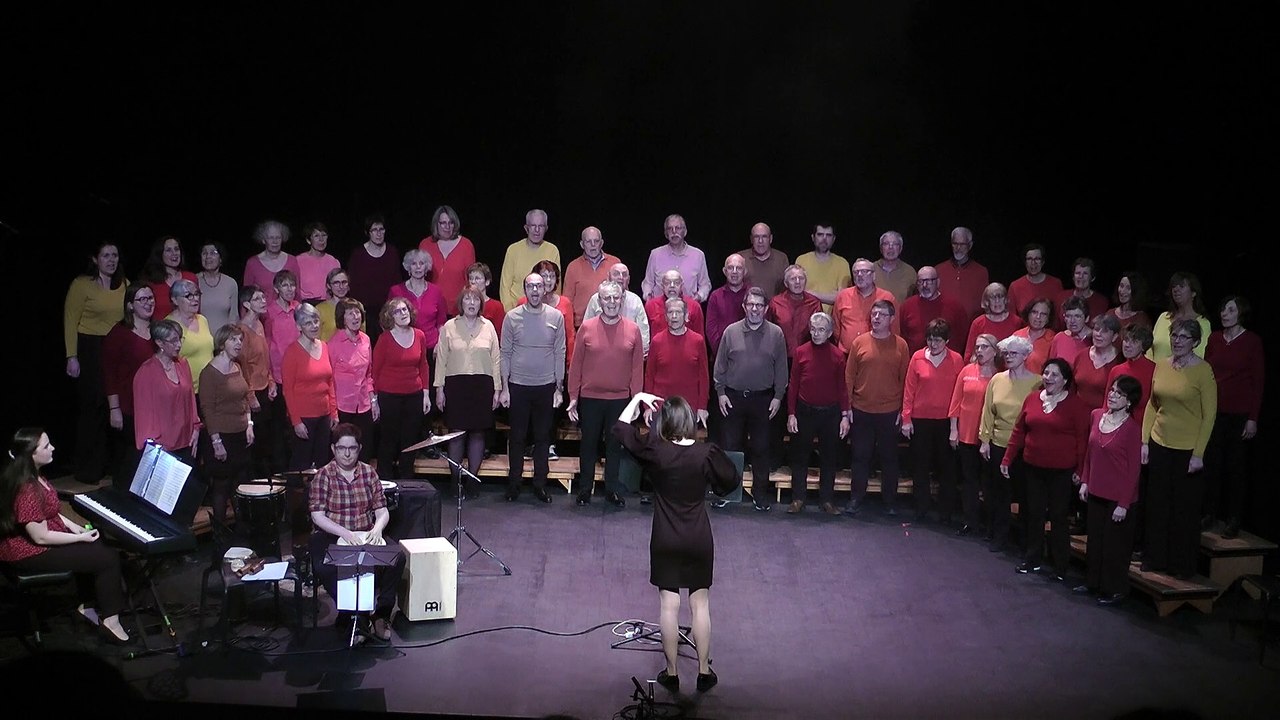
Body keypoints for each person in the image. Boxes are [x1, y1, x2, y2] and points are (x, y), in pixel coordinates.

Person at [612, 392, 737, 693]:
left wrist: (639, 398)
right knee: (701, 604)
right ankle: (704, 673)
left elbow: (621, 428)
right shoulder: (707, 453)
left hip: (666, 537)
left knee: (669, 606)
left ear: (664, 422)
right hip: (698, 536)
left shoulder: (656, 451)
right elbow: (730, 482)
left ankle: (672, 673)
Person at [0, 429, 131, 644]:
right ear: (31, 455)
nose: (52, 448)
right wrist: (79, 539)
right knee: (106, 558)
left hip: (39, 540)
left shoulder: (35, 475)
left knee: (97, 546)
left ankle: (86, 605)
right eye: (45, 446)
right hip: (28, 553)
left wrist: (74, 527)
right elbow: (40, 538)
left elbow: (50, 510)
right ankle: (111, 621)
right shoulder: (27, 489)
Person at [307, 423, 405, 643]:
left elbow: (382, 511)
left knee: (397, 558)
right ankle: (355, 615)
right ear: (333, 449)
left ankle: (380, 614)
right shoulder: (324, 475)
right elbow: (318, 516)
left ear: (359, 448)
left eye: (352, 448)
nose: (347, 453)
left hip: (365, 531)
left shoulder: (369, 473)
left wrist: (377, 528)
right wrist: (344, 533)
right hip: (332, 532)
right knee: (324, 565)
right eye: (342, 448)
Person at [1001, 358, 1090, 582]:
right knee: (1033, 514)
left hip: (1061, 471)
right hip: (1033, 467)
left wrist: (1081, 470)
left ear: (1065, 380)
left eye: (1054, 375)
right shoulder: (1032, 399)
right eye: (1046, 373)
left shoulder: (1075, 405)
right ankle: (1032, 560)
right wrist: (1007, 458)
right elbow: (1019, 431)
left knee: (1059, 517)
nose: (1048, 378)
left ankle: (1060, 566)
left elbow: (1082, 440)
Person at [1142, 318, 1216, 580]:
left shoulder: (1203, 371)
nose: (1177, 341)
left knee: (1183, 508)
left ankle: (1181, 565)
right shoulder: (1161, 366)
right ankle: (1155, 559)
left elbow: (1209, 416)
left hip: (1187, 449)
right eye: (1175, 336)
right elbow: (1153, 404)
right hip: (1160, 442)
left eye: (1184, 337)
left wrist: (1198, 454)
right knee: (1157, 504)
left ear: (1195, 342)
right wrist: (1144, 441)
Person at [567, 280, 645, 507]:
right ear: (599, 301)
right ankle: (584, 489)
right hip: (590, 398)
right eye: (607, 298)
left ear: (622, 300)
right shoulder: (587, 327)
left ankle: (611, 489)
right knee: (588, 445)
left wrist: (636, 401)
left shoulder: (633, 329)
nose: (611, 302)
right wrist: (573, 397)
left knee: (614, 447)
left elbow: (637, 368)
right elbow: (576, 364)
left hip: (620, 399)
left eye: (616, 298)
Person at [714, 287, 788, 512]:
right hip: (733, 398)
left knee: (761, 448)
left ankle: (760, 495)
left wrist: (778, 396)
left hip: (763, 400)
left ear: (766, 309)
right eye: (751, 305)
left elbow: (782, 369)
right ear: (744, 307)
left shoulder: (776, 334)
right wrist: (720, 392)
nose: (754, 309)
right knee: (730, 448)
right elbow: (720, 366)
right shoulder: (731, 331)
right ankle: (728, 493)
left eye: (759, 305)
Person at [1074, 376, 1144, 606]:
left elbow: (1134, 470)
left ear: (1129, 401)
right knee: (1094, 541)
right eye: (1112, 390)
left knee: (1115, 547)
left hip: (1118, 498)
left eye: (1119, 393)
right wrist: (1085, 481)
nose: (1112, 395)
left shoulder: (1132, 429)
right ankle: (1092, 582)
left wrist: (1123, 504)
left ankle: (1114, 589)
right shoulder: (1096, 416)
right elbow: (1089, 453)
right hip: (1096, 490)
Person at [64, 240, 127, 485]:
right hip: (90, 348)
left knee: (118, 407)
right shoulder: (82, 285)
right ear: (95, 259)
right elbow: (70, 320)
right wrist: (72, 356)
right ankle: (89, 467)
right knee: (94, 409)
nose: (111, 260)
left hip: (117, 347)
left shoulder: (124, 284)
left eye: (115, 255)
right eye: (106, 256)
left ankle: (115, 466)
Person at [499, 273, 566, 502]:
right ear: (524, 289)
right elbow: (505, 353)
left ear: (545, 288)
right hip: (518, 385)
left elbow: (560, 352)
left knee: (542, 437)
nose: (535, 290)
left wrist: (559, 387)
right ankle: (514, 484)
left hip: (546, 386)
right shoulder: (512, 317)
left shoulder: (556, 317)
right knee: (517, 437)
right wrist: (504, 388)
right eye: (531, 286)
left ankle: (540, 484)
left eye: (539, 286)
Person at [1202, 295, 1264, 538]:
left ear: (1241, 313)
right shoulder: (1215, 338)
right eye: (1223, 309)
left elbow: (1258, 382)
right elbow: (1206, 371)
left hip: (1238, 414)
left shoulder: (1251, 341)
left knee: (1235, 468)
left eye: (1230, 310)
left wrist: (1253, 418)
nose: (1224, 314)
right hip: (1214, 411)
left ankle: (1233, 518)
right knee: (1212, 464)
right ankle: (1209, 513)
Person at [433, 284, 501, 498]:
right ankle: (456, 481)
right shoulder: (449, 327)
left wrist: (497, 389)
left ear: (481, 303)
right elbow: (441, 359)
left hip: (482, 385)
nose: (471, 303)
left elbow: (496, 359)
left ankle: (472, 481)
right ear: (461, 303)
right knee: (456, 435)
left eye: (475, 300)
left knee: (478, 433)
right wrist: (439, 389)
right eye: (467, 299)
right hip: (456, 386)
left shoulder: (488, 326)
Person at [844, 299, 910, 516]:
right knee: (860, 456)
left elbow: (906, 380)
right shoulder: (859, 343)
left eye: (882, 315)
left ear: (891, 319)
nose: (877, 318)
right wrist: (848, 407)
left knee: (889, 458)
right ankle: (856, 498)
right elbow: (849, 376)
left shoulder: (900, 345)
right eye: (874, 314)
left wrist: (903, 411)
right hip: (861, 409)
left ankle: (890, 501)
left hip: (889, 412)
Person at [978, 335, 1041, 552]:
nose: (1009, 357)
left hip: (1025, 446)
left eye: (1014, 353)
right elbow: (987, 411)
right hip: (998, 443)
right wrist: (985, 440)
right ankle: (999, 537)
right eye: (1006, 353)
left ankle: (1025, 540)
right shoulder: (997, 380)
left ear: (1025, 356)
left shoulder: (1037, 382)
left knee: (1025, 495)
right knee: (999, 494)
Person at [901, 318, 965, 523]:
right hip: (921, 420)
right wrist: (906, 418)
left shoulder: (956, 359)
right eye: (930, 339)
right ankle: (921, 508)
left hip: (946, 421)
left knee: (946, 468)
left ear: (947, 340)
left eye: (938, 340)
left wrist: (955, 425)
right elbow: (909, 390)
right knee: (920, 466)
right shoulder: (917, 357)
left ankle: (945, 511)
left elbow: (958, 393)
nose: (933, 344)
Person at [785, 312, 849, 514]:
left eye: (821, 330)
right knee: (800, 456)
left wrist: (845, 416)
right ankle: (798, 499)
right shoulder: (801, 352)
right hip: (805, 411)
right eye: (813, 329)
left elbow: (842, 387)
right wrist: (791, 413)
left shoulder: (838, 355)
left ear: (830, 332)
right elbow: (793, 384)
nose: (816, 333)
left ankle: (827, 501)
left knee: (829, 457)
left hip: (831, 413)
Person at [198, 325, 255, 523]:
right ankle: (220, 534)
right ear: (222, 343)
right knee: (222, 486)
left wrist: (249, 424)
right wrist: (216, 441)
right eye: (234, 340)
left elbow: (245, 396)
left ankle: (242, 531)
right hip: (222, 436)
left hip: (240, 435)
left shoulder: (238, 366)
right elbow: (208, 410)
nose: (239, 343)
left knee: (239, 485)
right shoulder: (209, 373)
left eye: (240, 339)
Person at [372, 297, 431, 481]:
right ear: (390, 316)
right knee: (389, 440)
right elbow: (375, 370)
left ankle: (406, 481)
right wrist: (374, 400)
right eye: (397, 311)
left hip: (414, 395)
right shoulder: (384, 339)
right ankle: (385, 482)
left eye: (405, 309)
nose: (403, 313)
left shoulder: (419, 335)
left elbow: (424, 365)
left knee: (410, 440)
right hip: (389, 396)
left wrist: (426, 394)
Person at [103, 285, 155, 489]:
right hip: (128, 408)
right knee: (129, 460)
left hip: (154, 408)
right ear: (130, 306)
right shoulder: (119, 333)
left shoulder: (158, 330)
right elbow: (109, 373)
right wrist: (114, 409)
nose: (149, 302)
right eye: (142, 299)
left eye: (150, 298)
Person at [948, 333, 999, 537]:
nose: (979, 351)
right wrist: (953, 428)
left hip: (988, 436)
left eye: (984, 347)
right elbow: (956, 401)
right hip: (966, 433)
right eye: (977, 347)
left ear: (995, 351)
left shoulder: (1000, 375)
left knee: (988, 483)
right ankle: (970, 521)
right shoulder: (966, 371)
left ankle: (989, 525)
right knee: (969, 481)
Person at [132, 319, 200, 462]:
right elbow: (143, 413)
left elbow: (190, 399)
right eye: (173, 341)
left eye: (180, 339)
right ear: (160, 343)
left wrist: (196, 427)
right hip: (162, 446)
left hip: (186, 440)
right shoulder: (146, 372)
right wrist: (152, 445)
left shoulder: (182, 364)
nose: (179, 345)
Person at [281, 304, 338, 471]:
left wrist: (333, 412)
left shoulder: (324, 346)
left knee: (323, 463)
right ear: (299, 326)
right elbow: (288, 391)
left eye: (316, 321)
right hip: (304, 418)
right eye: (308, 323)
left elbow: (330, 382)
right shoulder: (292, 352)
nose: (314, 326)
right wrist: (296, 422)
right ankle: (297, 497)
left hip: (324, 415)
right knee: (301, 464)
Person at [646, 297, 710, 432]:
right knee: (658, 450)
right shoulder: (657, 341)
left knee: (686, 451)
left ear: (686, 316)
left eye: (678, 312)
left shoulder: (697, 341)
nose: (674, 316)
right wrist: (647, 407)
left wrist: (702, 407)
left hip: (688, 408)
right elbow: (649, 376)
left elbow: (704, 376)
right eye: (670, 312)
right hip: (661, 407)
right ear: (665, 316)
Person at [236, 285, 281, 478]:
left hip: (264, 389)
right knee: (255, 443)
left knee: (266, 441)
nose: (264, 302)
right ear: (246, 304)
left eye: (264, 298)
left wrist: (271, 381)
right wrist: (250, 395)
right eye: (258, 299)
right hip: (252, 391)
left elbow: (264, 358)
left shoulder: (260, 325)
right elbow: (243, 366)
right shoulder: (241, 331)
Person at [329, 298, 378, 463]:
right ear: (342, 318)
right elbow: (329, 380)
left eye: (357, 312)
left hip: (363, 404)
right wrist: (333, 411)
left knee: (364, 450)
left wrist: (373, 400)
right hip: (343, 406)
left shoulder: (366, 340)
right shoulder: (333, 344)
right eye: (350, 313)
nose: (356, 317)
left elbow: (369, 374)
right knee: (344, 452)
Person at [347, 213, 404, 343]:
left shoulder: (392, 252)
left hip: (388, 309)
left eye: (381, 229)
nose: (378, 233)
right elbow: (353, 284)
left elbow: (397, 281)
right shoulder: (358, 254)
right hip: (366, 312)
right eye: (374, 230)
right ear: (368, 232)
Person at [388, 249, 448, 364]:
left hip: (431, 348)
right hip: (405, 346)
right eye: (414, 264)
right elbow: (389, 322)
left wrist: (440, 345)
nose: (418, 267)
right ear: (408, 267)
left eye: (421, 263)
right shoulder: (396, 291)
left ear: (427, 267)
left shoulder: (436, 291)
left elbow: (441, 323)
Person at [418, 204, 477, 316]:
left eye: (451, 223)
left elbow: (471, 280)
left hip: (459, 309)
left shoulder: (466, 245)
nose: (447, 226)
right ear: (436, 224)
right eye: (443, 223)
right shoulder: (425, 245)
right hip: (431, 308)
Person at [831, 258, 899, 353]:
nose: (859, 275)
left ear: (874, 275)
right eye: (856, 272)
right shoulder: (843, 296)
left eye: (864, 271)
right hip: (846, 355)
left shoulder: (887, 297)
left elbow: (894, 329)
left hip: (876, 354)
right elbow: (836, 327)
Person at [899, 265, 969, 354]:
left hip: (946, 363)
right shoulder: (906, 306)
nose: (924, 285)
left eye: (929, 281)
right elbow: (903, 338)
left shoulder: (955, 307)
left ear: (938, 282)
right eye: (920, 281)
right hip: (916, 363)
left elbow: (962, 338)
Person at [643, 213, 712, 303]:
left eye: (678, 228)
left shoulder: (698, 255)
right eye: (670, 229)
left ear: (685, 231)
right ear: (665, 233)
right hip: (660, 310)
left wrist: (699, 297)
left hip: (688, 309)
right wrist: (648, 297)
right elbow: (648, 282)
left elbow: (705, 284)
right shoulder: (655, 254)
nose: (674, 232)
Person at [499, 209, 560, 310]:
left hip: (545, 311)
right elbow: (505, 286)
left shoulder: (552, 250)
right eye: (533, 226)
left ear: (546, 228)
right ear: (526, 228)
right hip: (517, 311)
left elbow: (556, 285)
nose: (537, 230)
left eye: (540, 226)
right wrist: (510, 313)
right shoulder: (513, 250)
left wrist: (553, 310)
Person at [583, 262, 650, 355]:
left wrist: (639, 355)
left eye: (624, 274)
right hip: (599, 353)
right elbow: (586, 329)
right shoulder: (596, 299)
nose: (621, 277)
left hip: (628, 354)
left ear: (629, 280)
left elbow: (644, 333)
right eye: (616, 274)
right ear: (608, 277)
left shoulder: (635, 300)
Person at [562, 225, 620, 328]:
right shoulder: (573, 267)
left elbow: (623, 295)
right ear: (582, 244)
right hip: (581, 326)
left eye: (596, 241)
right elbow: (567, 302)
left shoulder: (614, 263)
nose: (593, 245)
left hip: (612, 324)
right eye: (588, 242)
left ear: (601, 243)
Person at [1149, 271, 1210, 361]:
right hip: (1157, 373)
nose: (1176, 290)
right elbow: (1150, 348)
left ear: (1193, 293)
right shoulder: (1163, 317)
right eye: (1173, 286)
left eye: (1181, 286)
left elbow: (1200, 355)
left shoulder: (1203, 323)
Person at [167, 278, 215, 393]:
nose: (195, 299)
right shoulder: (169, 326)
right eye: (189, 296)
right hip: (188, 391)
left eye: (196, 294)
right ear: (174, 300)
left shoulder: (202, 320)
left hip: (211, 387)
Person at [767, 265, 824, 360]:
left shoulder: (814, 303)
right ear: (786, 283)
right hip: (780, 358)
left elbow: (821, 334)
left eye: (801, 278)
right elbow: (768, 332)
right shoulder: (775, 303)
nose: (797, 282)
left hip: (808, 357)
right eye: (793, 279)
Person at [935, 226, 988, 321]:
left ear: (970, 245)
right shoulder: (938, 270)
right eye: (955, 243)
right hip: (943, 327)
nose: (958, 248)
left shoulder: (981, 272)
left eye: (962, 244)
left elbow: (984, 305)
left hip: (971, 326)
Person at [140, 235, 198, 320]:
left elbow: (197, 310)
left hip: (190, 330)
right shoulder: (151, 283)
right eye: (168, 250)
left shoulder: (191, 278)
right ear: (160, 254)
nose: (174, 253)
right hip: (160, 330)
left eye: (176, 249)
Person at [794, 223, 850, 311]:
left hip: (832, 319)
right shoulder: (801, 260)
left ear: (833, 239)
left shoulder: (842, 263)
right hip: (805, 316)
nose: (824, 239)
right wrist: (828, 296)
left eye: (828, 235)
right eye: (820, 235)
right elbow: (797, 294)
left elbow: (842, 298)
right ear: (813, 237)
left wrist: (810, 293)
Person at [243, 220, 301, 303]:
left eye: (278, 238)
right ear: (263, 240)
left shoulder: (292, 261)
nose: (275, 242)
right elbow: (247, 295)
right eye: (271, 238)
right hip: (262, 313)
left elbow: (297, 292)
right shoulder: (252, 263)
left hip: (288, 313)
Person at [1071, 314, 1122, 409]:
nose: (1099, 334)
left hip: (1103, 417)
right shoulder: (1081, 355)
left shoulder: (1119, 361)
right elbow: (1072, 387)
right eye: (1096, 329)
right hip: (1076, 412)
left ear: (1114, 336)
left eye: (1105, 331)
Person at [704, 253, 749, 358]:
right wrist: (722, 352)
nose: (734, 272)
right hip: (721, 355)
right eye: (730, 268)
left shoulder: (752, 294)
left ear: (745, 272)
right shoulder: (715, 296)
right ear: (725, 271)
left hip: (748, 355)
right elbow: (710, 329)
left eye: (738, 268)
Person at [265, 270, 302, 393]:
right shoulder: (269, 312)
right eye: (285, 285)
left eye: (292, 285)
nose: (290, 289)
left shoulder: (298, 308)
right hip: (278, 368)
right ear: (276, 289)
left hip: (298, 366)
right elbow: (267, 340)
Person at [964, 282, 1023, 359]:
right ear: (986, 302)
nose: (997, 301)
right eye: (993, 297)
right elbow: (969, 355)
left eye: (1000, 297)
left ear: (1005, 300)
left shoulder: (1017, 322)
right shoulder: (978, 323)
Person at [644, 269, 705, 340]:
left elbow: (700, 338)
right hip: (658, 349)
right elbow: (645, 336)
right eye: (667, 283)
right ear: (662, 286)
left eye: (676, 283)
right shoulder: (651, 306)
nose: (672, 286)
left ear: (682, 285)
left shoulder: (694, 306)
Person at [1053, 258, 1109, 332]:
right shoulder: (1061, 297)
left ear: (1092, 278)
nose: (1080, 277)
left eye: (1085, 274)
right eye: (1077, 273)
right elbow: (1055, 326)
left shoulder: (1101, 302)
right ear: (1073, 277)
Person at [1007, 243, 1063, 318]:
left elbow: (1059, 315)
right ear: (1025, 262)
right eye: (1029, 259)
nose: (1033, 263)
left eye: (1037, 259)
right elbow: (1011, 317)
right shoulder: (1015, 286)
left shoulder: (1055, 284)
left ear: (1043, 262)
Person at [196, 241, 239, 334]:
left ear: (221, 259)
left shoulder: (230, 283)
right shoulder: (194, 281)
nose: (208, 257)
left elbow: (234, 317)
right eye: (204, 253)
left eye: (213, 253)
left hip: (224, 341)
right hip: (200, 339)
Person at [737, 222, 789, 297]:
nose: (760, 241)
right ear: (751, 239)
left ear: (770, 239)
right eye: (756, 237)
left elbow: (787, 289)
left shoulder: (781, 258)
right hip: (747, 307)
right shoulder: (740, 258)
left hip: (774, 308)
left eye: (764, 237)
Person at [296, 222, 341, 305]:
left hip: (329, 304)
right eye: (316, 236)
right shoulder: (298, 261)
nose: (321, 239)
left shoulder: (333, 262)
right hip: (306, 304)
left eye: (324, 235)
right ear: (308, 240)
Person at [316, 268, 364, 342]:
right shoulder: (320, 309)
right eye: (336, 283)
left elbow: (362, 334)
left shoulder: (357, 306)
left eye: (344, 282)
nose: (341, 287)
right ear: (329, 286)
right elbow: (316, 338)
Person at [872, 231, 917, 309]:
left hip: (901, 319)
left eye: (895, 244)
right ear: (881, 248)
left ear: (900, 248)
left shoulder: (910, 272)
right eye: (886, 244)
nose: (890, 247)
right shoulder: (870, 269)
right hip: (874, 319)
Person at [1011, 297, 1056, 374]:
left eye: (1043, 314)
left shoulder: (1053, 339)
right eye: (1034, 312)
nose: (1038, 317)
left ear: (1048, 318)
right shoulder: (1017, 335)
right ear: (1028, 314)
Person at [1105, 271, 1152, 340]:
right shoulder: (1110, 313)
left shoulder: (1141, 319)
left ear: (1135, 291)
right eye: (1121, 286)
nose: (1122, 291)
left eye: (1128, 288)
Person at [465, 262, 507, 339]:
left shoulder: (496, 306)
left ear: (487, 282)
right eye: (471, 278)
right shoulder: (463, 304)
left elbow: (500, 334)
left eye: (477, 278)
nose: (473, 282)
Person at [1048, 295, 1092, 364]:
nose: (1072, 321)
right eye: (1068, 316)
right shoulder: (1059, 338)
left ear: (1087, 318)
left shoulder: (1094, 339)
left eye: (1077, 316)